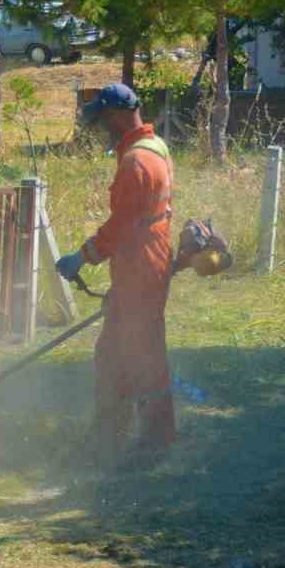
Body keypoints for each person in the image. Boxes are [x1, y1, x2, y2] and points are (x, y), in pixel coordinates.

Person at [56, 83, 176, 470]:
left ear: (119, 116)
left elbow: (122, 226)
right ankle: (136, 435)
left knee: (125, 356)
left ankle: (131, 440)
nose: (102, 128)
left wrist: (83, 256)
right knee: (133, 352)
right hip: (147, 263)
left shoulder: (135, 164)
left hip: (139, 268)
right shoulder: (155, 147)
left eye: (104, 120)